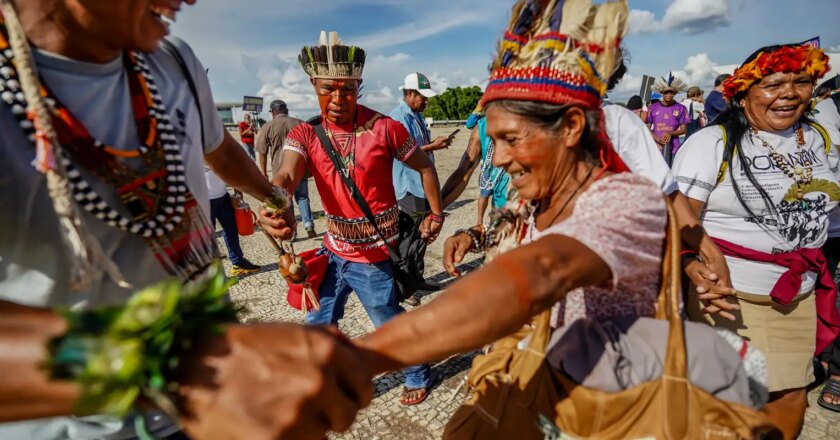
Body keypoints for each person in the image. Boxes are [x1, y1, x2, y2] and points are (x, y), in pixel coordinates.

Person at [354, 0, 763, 430]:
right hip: (544, 374)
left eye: (512, 139)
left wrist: (364, 356)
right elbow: (509, 223)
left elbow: (541, 272)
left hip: (608, 404)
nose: (502, 158)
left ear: (569, 128)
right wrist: (474, 235)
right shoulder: (539, 193)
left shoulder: (624, 203)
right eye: (496, 142)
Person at [0, 1, 372, 439]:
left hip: (215, 404)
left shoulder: (173, 63)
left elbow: (220, 148)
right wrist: (181, 369)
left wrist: (269, 196)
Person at [259, 31, 441, 406]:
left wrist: (436, 214)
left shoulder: (385, 128)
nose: (338, 98)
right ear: (313, 85)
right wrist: (274, 201)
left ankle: (417, 372)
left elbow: (425, 167)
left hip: (374, 255)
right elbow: (286, 175)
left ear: (359, 85)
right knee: (318, 324)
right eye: (328, 89)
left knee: (386, 322)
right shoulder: (305, 133)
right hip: (332, 251)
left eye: (347, 89)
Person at [672, 43, 840, 438]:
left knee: (788, 400)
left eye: (801, 82)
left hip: (799, 295)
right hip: (732, 295)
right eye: (773, 84)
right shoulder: (712, 144)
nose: (789, 93)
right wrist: (690, 266)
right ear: (743, 93)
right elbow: (678, 218)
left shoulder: (820, 137)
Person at [390, 72, 452, 303]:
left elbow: (418, 147)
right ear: (408, 93)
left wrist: (434, 146)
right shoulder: (398, 118)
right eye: (422, 97)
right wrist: (433, 146)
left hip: (421, 186)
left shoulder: (416, 115)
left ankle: (417, 279)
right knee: (408, 239)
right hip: (408, 186)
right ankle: (405, 288)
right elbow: (403, 154)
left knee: (422, 236)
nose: (426, 101)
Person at [813, 84, 840, 411]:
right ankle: (816, 355)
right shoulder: (822, 114)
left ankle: (837, 370)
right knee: (819, 292)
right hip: (822, 225)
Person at [255, 99, 317, 238]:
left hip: (280, 172)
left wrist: (264, 173)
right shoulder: (299, 122)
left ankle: (292, 231)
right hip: (301, 170)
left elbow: (262, 153)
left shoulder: (267, 127)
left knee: (285, 201)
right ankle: (308, 225)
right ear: (286, 111)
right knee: (303, 198)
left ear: (273, 113)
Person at [440, 106, 510, 227]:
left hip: (523, 206)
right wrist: (436, 211)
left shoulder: (483, 125)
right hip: (492, 178)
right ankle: (479, 221)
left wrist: (435, 211)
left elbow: (463, 171)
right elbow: (469, 123)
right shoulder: (483, 125)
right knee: (485, 195)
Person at [205, 166, 261, 276]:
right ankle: (212, 274)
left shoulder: (216, 149)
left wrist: (238, 194)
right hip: (204, 201)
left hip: (223, 197)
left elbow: (231, 169)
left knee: (231, 230)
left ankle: (238, 263)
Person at [646, 73, 690, 166]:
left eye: (671, 92)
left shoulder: (681, 108)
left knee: (671, 173)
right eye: (666, 92)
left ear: (675, 93)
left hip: (674, 147)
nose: (669, 95)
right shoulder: (653, 108)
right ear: (661, 92)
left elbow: (684, 129)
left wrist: (670, 133)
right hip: (655, 147)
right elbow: (647, 128)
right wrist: (657, 139)